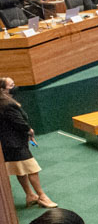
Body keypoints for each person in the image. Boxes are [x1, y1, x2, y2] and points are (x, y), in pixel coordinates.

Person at [0, 76, 57, 207]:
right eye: (11, 85)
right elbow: (19, 123)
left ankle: (30, 195)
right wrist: (30, 131)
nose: (15, 86)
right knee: (32, 169)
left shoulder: (4, 102)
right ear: (2, 90)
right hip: (14, 144)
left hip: (9, 143)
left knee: (21, 169)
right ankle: (42, 196)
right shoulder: (7, 105)